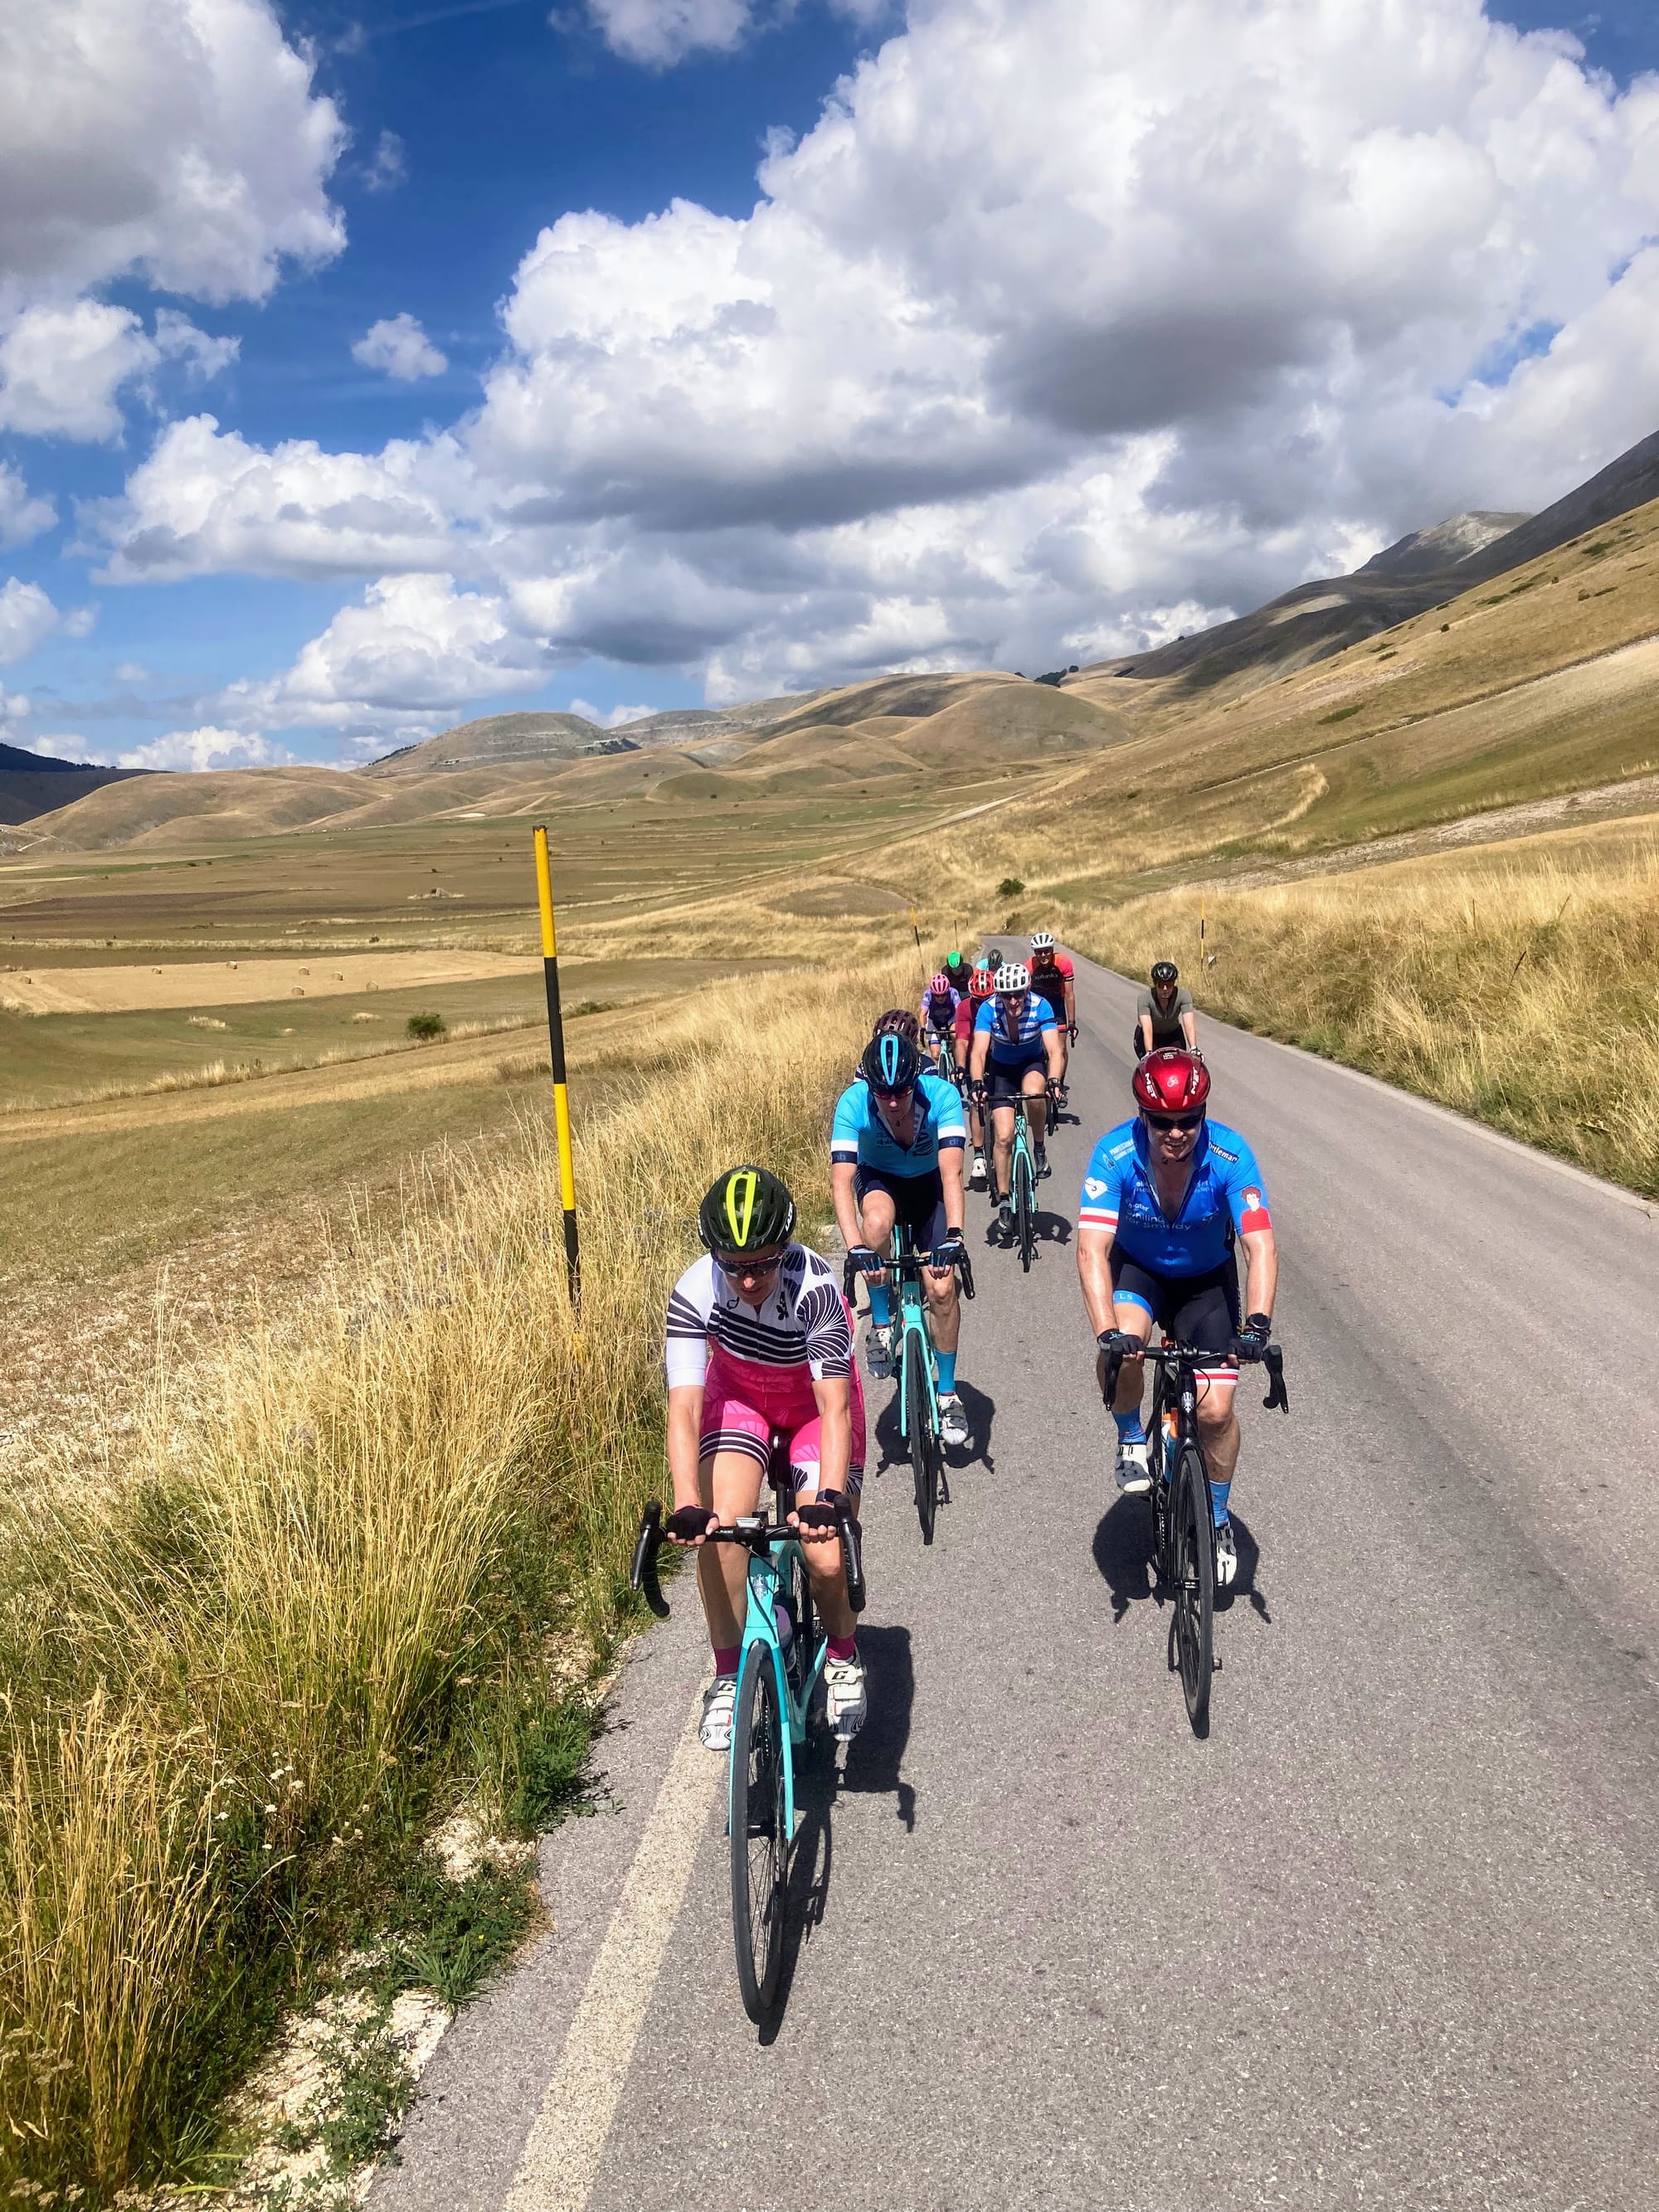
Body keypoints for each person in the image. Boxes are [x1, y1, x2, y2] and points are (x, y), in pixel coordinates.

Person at [665, 1165, 869, 1747]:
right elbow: (683, 1407)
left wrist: (830, 1500)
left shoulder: (817, 1288)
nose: (748, 1277)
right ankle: (728, 1676)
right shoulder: (694, 1289)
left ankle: (844, 1656)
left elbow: (834, 1410)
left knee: (825, 1556)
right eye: (734, 1263)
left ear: (786, 1246)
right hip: (742, 1400)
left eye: (762, 1262)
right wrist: (686, 1501)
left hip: (811, 1408)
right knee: (719, 1528)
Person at [1074, 1048, 1278, 1591]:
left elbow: (1260, 1247)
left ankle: (1215, 1519)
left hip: (1205, 1282)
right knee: (1125, 1352)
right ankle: (1129, 1438)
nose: (1176, 1132)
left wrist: (1256, 1324)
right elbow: (1092, 1250)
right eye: (1162, 1120)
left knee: (1215, 1410)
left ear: (1203, 1113)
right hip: (1137, 1273)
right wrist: (1107, 1333)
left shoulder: (1232, 1158)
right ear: (1143, 1115)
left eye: (1189, 1119)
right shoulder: (1114, 1154)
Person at [830, 1030, 971, 1447]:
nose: (892, 1101)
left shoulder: (942, 1097)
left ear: (917, 1081)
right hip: (881, 1181)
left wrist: (955, 1237)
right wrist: (855, 1248)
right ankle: (881, 1320)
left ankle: (947, 1394)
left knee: (942, 1287)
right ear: (868, 1086)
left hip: (930, 1186)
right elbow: (841, 1183)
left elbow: (952, 1175)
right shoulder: (853, 1103)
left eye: (902, 1091)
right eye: (883, 1092)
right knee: (873, 1226)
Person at [968, 960, 1064, 1232]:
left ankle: (1039, 1147)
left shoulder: (1041, 1006)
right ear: (998, 995)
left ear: (1027, 990)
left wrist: (1054, 1079)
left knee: (1035, 1093)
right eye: (1007, 995)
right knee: (1003, 1136)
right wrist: (977, 1082)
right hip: (1001, 1071)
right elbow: (978, 1052)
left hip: (1032, 1063)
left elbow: (1054, 1051)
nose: (1013, 1001)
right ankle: (1004, 1200)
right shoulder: (988, 1010)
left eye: (1018, 994)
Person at [960, 961, 997, 1185]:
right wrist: (960, 1066)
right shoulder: (964, 1008)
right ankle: (979, 1156)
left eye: (988, 999)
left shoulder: (1001, 1006)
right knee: (977, 1102)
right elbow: (962, 1041)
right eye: (978, 1001)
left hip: (999, 1057)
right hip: (976, 1057)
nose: (983, 1004)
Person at [1026, 931, 1077, 1095]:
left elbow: (1069, 995)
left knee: (1060, 1049)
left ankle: (1059, 1084)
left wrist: (1072, 1023)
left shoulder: (1063, 963)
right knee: (1040, 1049)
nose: (1043, 955)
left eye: (1046, 951)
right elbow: (1023, 995)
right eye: (1039, 952)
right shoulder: (1030, 966)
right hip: (1038, 1009)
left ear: (1052, 950)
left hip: (1057, 1007)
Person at [1135, 960, 1198, 1057]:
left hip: (1172, 1034)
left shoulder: (1184, 995)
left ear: (1173, 984)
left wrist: (1194, 1048)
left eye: (1168, 985)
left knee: (1180, 1064)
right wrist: (1149, 1052)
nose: (1165, 989)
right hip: (1150, 1036)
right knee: (1151, 1067)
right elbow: (1147, 1027)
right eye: (1161, 985)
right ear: (1155, 985)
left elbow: (1189, 1024)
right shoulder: (1144, 998)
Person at [918, 970, 961, 1078]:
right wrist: (923, 1028)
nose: (940, 998)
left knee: (955, 1035)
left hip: (950, 1019)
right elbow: (923, 1014)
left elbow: (960, 1012)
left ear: (947, 991)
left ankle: (958, 1065)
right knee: (935, 1054)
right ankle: (936, 1076)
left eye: (943, 995)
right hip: (934, 1021)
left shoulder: (953, 992)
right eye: (937, 995)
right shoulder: (928, 994)